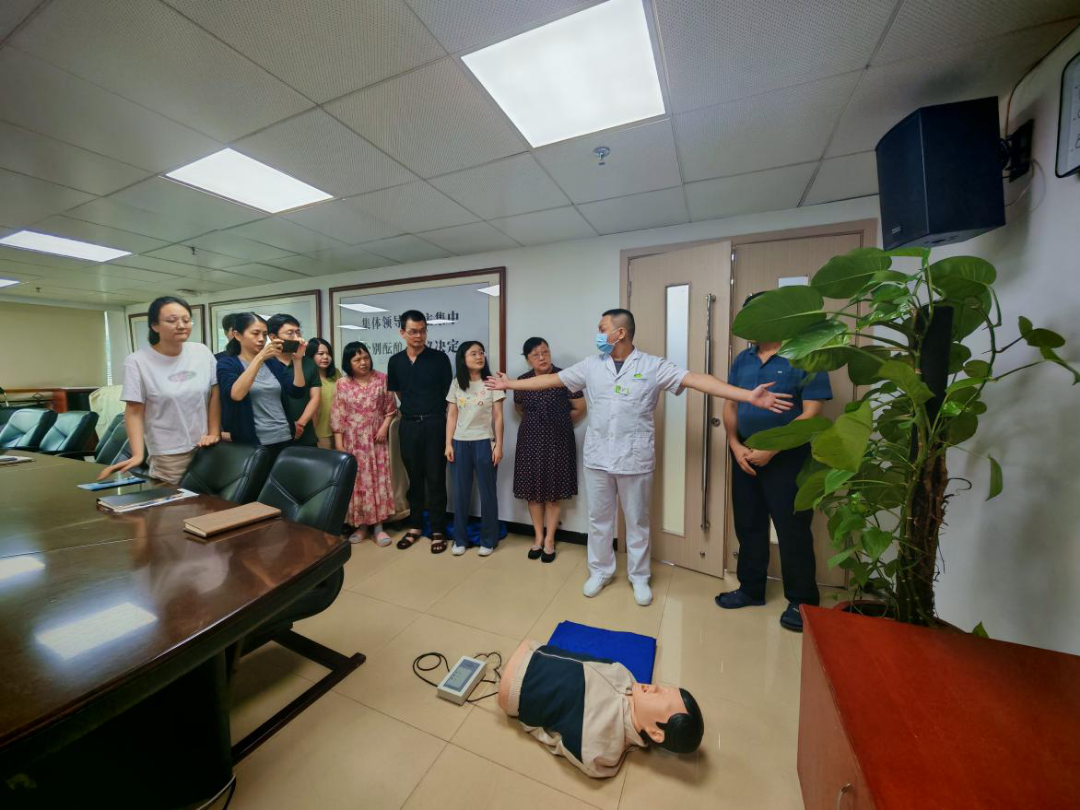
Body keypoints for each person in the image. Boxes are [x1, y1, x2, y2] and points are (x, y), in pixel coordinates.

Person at [488, 308, 792, 607]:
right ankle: (600, 571)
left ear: (620, 333)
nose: (598, 334)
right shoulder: (591, 365)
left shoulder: (652, 366)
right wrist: (510, 384)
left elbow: (696, 379)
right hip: (598, 458)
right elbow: (551, 380)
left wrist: (746, 395)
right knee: (599, 520)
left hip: (635, 459)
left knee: (637, 521)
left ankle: (639, 577)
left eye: (602, 328)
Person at [716, 293, 834, 633]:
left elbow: (812, 413)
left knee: (792, 528)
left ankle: (802, 601)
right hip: (744, 454)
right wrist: (734, 444)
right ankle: (751, 589)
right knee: (749, 524)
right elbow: (730, 404)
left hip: (788, 456)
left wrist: (773, 448)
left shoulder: (806, 354)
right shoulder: (743, 359)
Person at [497, 639, 705, 778]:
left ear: (655, 733)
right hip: (534, 648)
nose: (655, 687)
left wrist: (525, 716)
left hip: (515, 686)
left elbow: (553, 738)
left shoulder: (603, 748)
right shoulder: (627, 676)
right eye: (664, 688)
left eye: (662, 697)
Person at [100, 296, 220, 484]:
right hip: (168, 454)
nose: (181, 325)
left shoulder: (201, 352)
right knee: (174, 502)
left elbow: (215, 393)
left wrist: (214, 433)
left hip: (206, 447)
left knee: (209, 501)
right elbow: (134, 411)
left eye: (186, 320)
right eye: (172, 320)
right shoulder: (137, 361)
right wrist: (137, 454)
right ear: (155, 326)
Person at [513, 337, 586, 562]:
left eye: (545, 352)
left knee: (554, 493)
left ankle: (550, 540)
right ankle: (538, 537)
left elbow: (579, 408)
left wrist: (559, 421)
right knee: (532, 491)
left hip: (558, 440)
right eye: (536, 354)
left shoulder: (565, 377)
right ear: (528, 359)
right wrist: (537, 422)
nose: (542, 357)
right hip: (530, 440)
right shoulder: (522, 381)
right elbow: (519, 408)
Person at [387, 310, 454, 554]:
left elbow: (448, 394)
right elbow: (400, 394)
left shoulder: (439, 358)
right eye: (413, 331)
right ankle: (414, 525)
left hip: (435, 423)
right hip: (409, 425)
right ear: (402, 333)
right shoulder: (395, 361)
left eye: (423, 331)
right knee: (413, 478)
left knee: (436, 478)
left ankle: (438, 529)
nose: (419, 336)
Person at [216, 312, 308, 462]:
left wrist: (297, 360)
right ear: (237, 335)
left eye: (264, 335)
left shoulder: (272, 363)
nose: (261, 339)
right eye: (255, 333)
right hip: (253, 441)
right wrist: (260, 357)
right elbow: (236, 394)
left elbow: (297, 392)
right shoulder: (227, 363)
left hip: (284, 436)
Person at [331, 341, 397, 546]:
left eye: (366, 357)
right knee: (357, 483)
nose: (363, 362)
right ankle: (361, 526)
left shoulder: (382, 379)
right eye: (357, 359)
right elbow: (337, 414)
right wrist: (339, 443)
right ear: (348, 362)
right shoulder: (342, 384)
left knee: (377, 481)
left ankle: (378, 527)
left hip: (376, 439)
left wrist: (384, 427)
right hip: (352, 441)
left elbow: (391, 409)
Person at [445, 341, 504, 556]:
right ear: (463, 359)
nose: (479, 357)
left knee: (488, 493)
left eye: (481, 353)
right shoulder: (456, 383)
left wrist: (499, 446)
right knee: (460, 494)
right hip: (460, 442)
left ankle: (488, 540)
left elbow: (498, 417)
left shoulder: (492, 382)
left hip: (484, 442)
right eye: (473, 353)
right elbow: (452, 415)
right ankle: (460, 539)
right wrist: (448, 443)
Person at [265, 313, 321, 446]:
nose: (297, 338)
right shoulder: (265, 363)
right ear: (273, 337)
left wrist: (300, 424)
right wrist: (290, 425)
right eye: (290, 333)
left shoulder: (308, 363)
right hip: (276, 435)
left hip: (305, 433)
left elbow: (315, 397)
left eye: (298, 332)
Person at [306, 337, 341, 450]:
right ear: (310, 355)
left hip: (339, 432)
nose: (326, 357)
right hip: (319, 433)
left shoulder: (336, 373)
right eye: (320, 354)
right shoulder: (306, 377)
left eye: (328, 353)